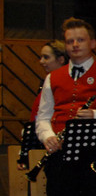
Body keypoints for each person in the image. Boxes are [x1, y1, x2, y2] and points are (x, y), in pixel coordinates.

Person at [35, 18, 96, 196]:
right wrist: (47, 136)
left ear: (93, 43)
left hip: (94, 154)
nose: (75, 45)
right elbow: (43, 116)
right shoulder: (53, 77)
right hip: (60, 155)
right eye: (70, 41)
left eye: (80, 40)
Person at [17, 41, 67, 171]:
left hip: (56, 143)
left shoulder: (65, 84)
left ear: (61, 59)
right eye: (41, 57)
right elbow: (38, 115)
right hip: (41, 138)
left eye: (46, 57)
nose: (41, 61)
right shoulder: (45, 81)